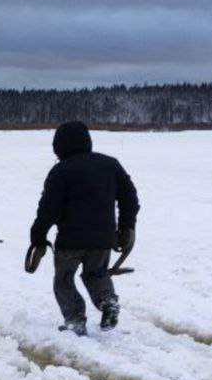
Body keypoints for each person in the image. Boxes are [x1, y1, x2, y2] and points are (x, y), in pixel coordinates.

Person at [29, 120, 139, 335]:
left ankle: (75, 320)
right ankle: (108, 302)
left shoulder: (60, 171)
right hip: (102, 239)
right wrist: (127, 226)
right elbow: (130, 198)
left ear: (59, 146)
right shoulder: (110, 164)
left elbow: (48, 210)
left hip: (70, 242)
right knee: (96, 274)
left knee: (63, 280)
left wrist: (37, 236)